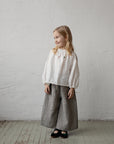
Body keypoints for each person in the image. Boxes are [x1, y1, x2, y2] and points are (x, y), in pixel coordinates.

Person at [40, 25, 80, 138]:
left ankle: (64, 127)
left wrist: (72, 87)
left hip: (66, 85)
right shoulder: (53, 52)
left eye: (57, 37)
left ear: (66, 37)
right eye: (54, 38)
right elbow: (48, 67)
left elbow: (74, 71)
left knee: (65, 107)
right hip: (53, 84)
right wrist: (46, 82)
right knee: (53, 106)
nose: (55, 40)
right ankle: (56, 127)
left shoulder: (71, 55)